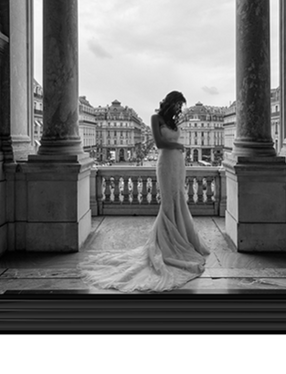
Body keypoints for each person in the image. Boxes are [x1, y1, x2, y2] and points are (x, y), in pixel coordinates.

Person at [80, 91, 211, 292]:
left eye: (181, 107)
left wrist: (179, 148)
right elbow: (159, 143)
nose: (179, 109)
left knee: (179, 200)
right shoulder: (155, 118)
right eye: (177, 105)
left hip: (178, 163)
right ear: (170, 102)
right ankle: (166, 243)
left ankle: (182, 238)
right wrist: (178, 145)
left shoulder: (175, 121)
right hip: (166, 162)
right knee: (168, 202)